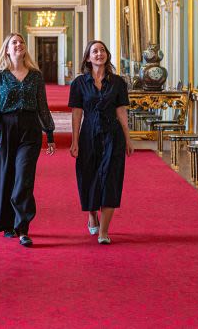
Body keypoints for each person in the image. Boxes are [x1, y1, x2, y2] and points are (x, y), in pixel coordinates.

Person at [0, 33, 56, 247]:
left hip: (30, 129)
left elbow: (42, 106)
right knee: (6, 177)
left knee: (24, 177)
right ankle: (8, 223)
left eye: (21, 42)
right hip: (5, 129)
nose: (18, 45)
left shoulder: (35, 76)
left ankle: (23, 227)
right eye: (13, 42)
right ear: (6, 49)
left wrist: (49, 134)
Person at [68, 40, 133, 244]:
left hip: (113, 136)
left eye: (102, 50)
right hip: (88, 136)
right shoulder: (79, 84)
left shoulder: (118, 83)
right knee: (88, 177)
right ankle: (92, 214)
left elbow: (121, 111)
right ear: (88, 57)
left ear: (107, 55)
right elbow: (77, 113)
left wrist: (128, 139)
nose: (99, 54)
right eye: (94, 51)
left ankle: (104, 231)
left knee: (110, 179)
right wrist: (75, 141)